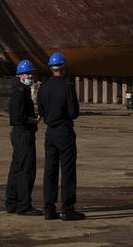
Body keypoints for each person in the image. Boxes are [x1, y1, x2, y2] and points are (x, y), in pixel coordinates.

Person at [36, 52, 84, 221]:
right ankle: (67, 209)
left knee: (50, 170)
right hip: (64, 132)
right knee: (68, 170)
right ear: (64, 67)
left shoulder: (44, 87)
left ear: (51, 68)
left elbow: (40, 110)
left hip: (50, 133)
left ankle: (49, 208)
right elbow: (74, 112)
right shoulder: (67, 86)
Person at [5, 59, 41, 216]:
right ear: (20, 75)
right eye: (27, 74)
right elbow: (17, 118)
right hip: (23, 134)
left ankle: (12, 202)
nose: (30, 76)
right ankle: (24, 205)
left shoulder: (21, 91)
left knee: (16, 168)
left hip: (20, 134)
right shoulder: (20, 93)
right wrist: (33, 120)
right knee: (26, 170)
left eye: (31, 73)